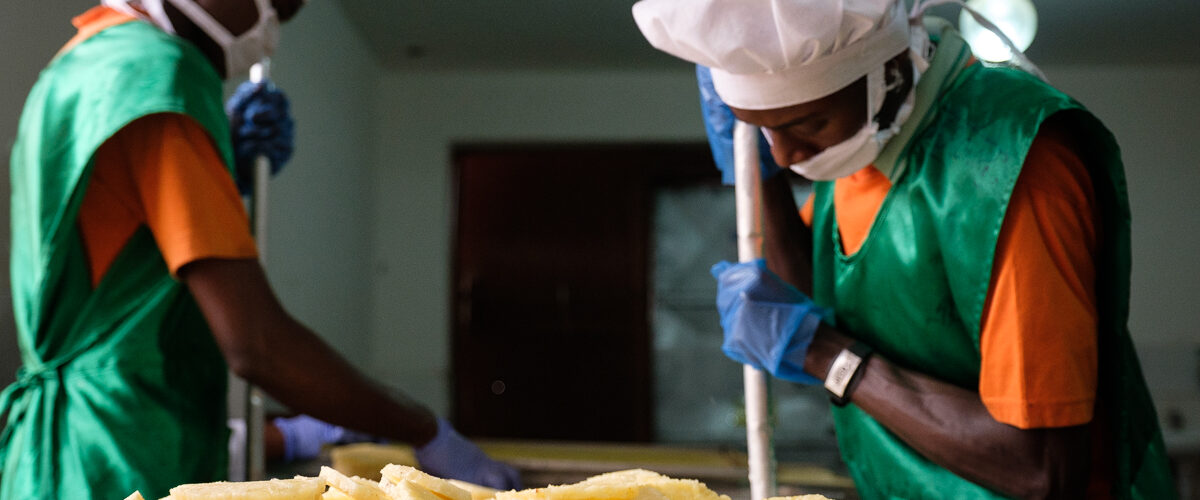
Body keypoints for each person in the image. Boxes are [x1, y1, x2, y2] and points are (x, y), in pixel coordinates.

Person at [633, 0, 1177, 498]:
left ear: (887, 72)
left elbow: (1044, 469)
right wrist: (758, 171)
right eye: (766, 130)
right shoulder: (855, 145)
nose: (790, 152)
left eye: (807, 124)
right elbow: (816, 294)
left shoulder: (1011, 165)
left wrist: (827, 356)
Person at [0, 1, 520, 499]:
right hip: (112, 459)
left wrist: (216, 167)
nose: (276, 21)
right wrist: (424, 430)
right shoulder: (160, 77)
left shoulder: (88, 60)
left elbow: (116, 262)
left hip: (60, 455)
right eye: (279, 2)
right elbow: (258, 345)